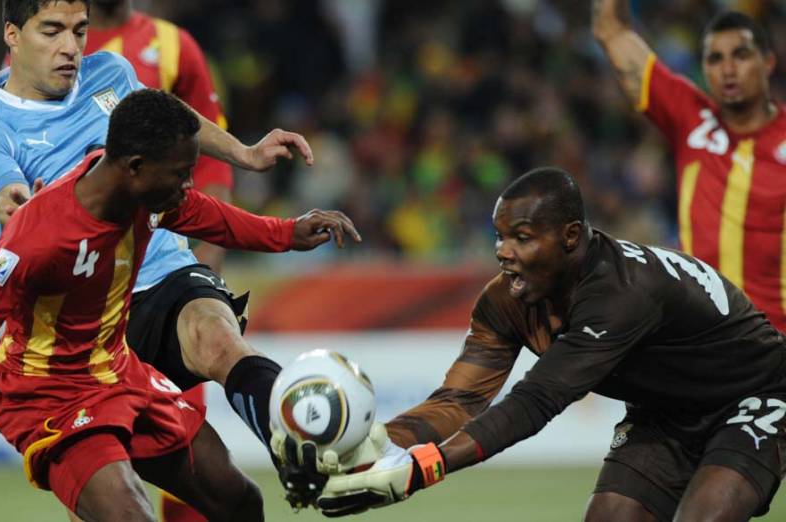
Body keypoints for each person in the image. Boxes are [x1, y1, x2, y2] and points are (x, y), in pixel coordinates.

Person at [0, 88, 360, 521]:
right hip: (49, 394)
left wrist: (287, 233)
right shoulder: (38, 238)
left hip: (119, 372)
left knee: (239, 503)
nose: (187, 185)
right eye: (181, 173)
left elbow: (211, 217)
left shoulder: (150, 193)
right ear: (135, 168)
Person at [0, 1, 347, 493]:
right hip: (86, 322)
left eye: (79, 32)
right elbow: (5, 190)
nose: (71, 47)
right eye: (53, 31)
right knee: (131, 495)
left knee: (218, 338)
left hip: (160, 268)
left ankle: (302, 457)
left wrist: (244, 154)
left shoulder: (112, 74)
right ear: (13, 36)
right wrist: (4, 206)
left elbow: (172, 119)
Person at [289, 167, 786, 521]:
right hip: (664, 413)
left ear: (570, 237)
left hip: (756, 395)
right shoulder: (506, 301)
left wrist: (422, 468)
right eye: (500, 236)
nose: (503, 252)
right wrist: (376, 446)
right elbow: (459, 401)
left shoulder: (621, 294)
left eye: (522, 237)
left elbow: (536, 401)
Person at [84, 4, 230, 518]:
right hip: (87, 282)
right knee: (94, 451)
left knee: (182, 441)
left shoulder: (172, 45)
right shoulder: (56, 46)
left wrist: (205, 252)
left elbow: (207, 151)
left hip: (161, 271)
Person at [592, 1, 786, 333]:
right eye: (715, 58)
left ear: (767, 63)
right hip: (700, 338)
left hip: (773, 343)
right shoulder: (691, 117)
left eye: (740, 55)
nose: (727, 69)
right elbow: (610, 30)